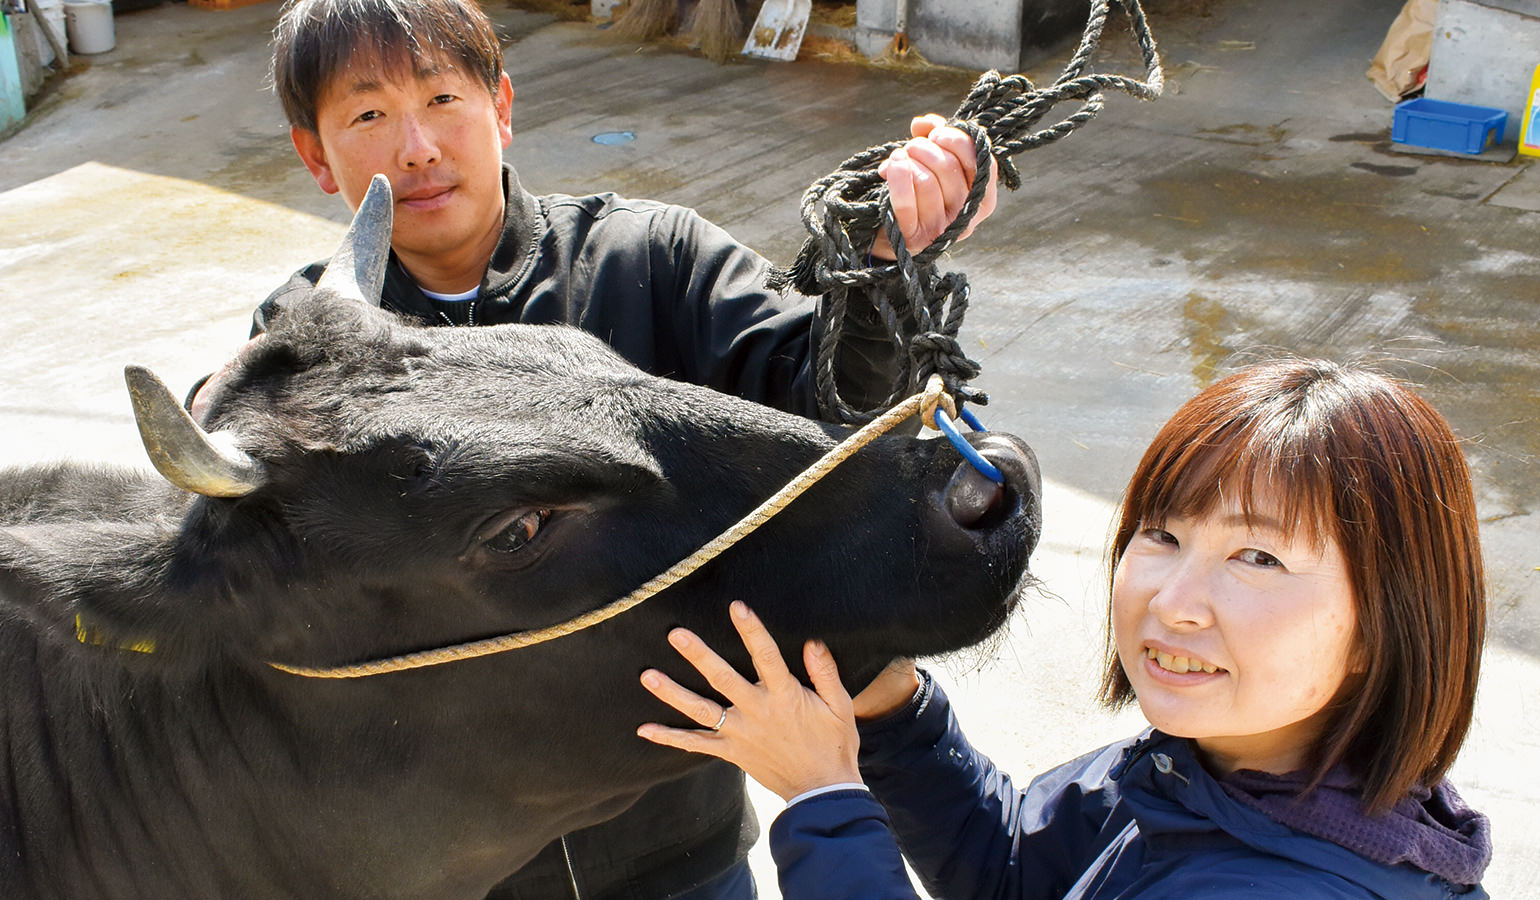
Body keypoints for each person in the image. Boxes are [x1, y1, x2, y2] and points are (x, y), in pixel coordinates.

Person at [228, 0, 1001, 897]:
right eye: (367, 115)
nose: (417, 148)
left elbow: (823, 404)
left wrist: (883, 259)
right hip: (464, 868)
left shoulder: (649, 258)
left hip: (682, 848)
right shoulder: (300, 352)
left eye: (442, 97)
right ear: (315, 155)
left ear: (502, 105)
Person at [638, 358, 1493, 900]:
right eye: (1162, 535)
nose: (1174, 600)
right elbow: (1014, 870)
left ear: (1386, 625)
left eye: (1258, 559)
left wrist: (825, 802)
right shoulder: (1217, 774)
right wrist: (894, 713)